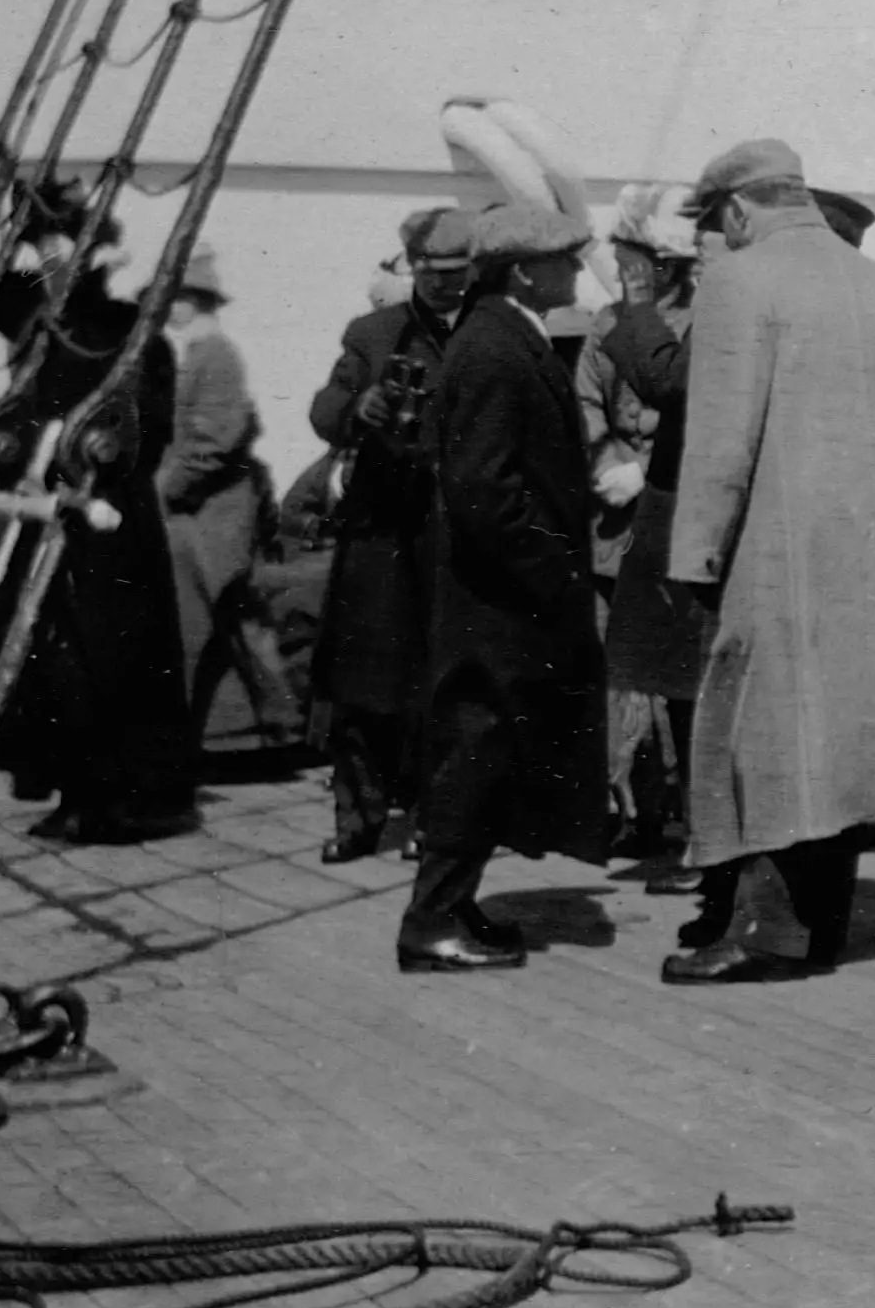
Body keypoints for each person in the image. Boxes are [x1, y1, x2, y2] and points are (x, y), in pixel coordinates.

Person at [660, 138, 875, 987]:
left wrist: (696, 556)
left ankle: (763, 931)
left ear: (738, 210)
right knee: (843, 740)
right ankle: (816, 926)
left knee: (761, 736)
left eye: (714, 221)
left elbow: (720, 439)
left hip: (773, 551)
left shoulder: (741, 281)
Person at [400, 198, 614, 972]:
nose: (576, 270)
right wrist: (553, 573)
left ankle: (451, 907)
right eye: (564, 257)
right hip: (500, 604)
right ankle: (431, 920)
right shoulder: (495, 347)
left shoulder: (502, 335)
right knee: (476, 751)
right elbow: (484, 488)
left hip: (502, 598)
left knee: (484, 752)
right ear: (525, 270)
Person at [0, 191, 200, 844]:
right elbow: (7, 308)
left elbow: (149, 431)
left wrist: (90, 458)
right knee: (57, 661)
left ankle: (119, 796)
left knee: (106, 658)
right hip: (57, 510)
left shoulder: (133, 339)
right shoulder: (49, 330)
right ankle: (77, 789)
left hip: (112, 522)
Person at [307, 207, 470, 864]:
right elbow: (324, 407)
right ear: (413, 268)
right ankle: (358, 818)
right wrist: (358, 408)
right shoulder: (374, 334)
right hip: (378, 537)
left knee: (441, 686)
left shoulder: (490, 333)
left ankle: (436, 820)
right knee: (360, 684)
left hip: (450, 536)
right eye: (433, 274)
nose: (445, 286)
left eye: (458, 274)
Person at [585, 184, 711, 886]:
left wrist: (646, 469)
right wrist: (610, 464)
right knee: (628, 681)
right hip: (617, 527)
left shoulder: (704, 319)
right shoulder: (610, 323)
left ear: (662, 264)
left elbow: (680, 397)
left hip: (673, 520)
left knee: (688, 688)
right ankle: (631, 812)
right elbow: (586, 404)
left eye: (631, 256)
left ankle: (694, 827)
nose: (621, 266)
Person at [155, 249, 307, 761]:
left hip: (214, 514)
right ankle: (272, 729)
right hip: (212, 510)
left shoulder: (213, 354)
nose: (163, 305)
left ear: (192, 300)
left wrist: (160, 494)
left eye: (172, 296)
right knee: (240, 622)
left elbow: (212, 441)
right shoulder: (199, 352)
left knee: (203, 622)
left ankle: (220, 737)